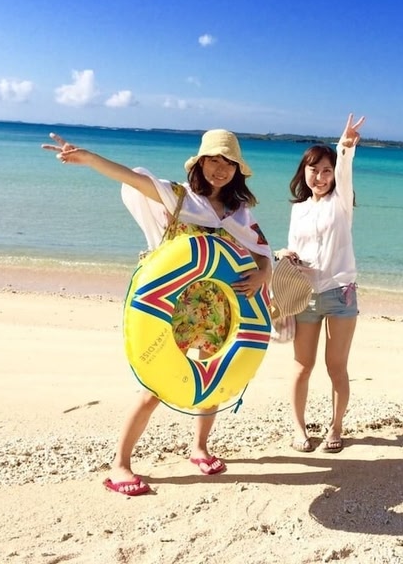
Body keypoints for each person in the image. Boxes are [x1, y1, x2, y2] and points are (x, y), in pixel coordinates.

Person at [42, 129, 272, 495]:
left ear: (237, 171)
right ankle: (120, 465)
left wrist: (263, 274)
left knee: (212, 379)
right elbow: (132, 179)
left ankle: (199, 448)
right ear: (200, 163)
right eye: (214, 160)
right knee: (155, 388)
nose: (221, 169)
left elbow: (262, 251)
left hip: (216, 307)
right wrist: (90, 159)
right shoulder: (179, 197)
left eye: (229, 163)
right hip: (173, 307)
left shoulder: (238, 212)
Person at [273, 113, 365, 454]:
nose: (321, 177)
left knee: (336, 366)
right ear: (304, 172)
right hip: (304, 295)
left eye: (327, 171)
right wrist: (284, 253)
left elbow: (344, 172)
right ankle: (299, 428)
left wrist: (345, 147)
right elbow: (295, 247)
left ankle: (335, 427)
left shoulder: (341, 203)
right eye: (314, 170)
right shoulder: (298, 209)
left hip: (340, 293)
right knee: (302, 366)